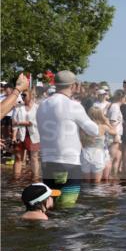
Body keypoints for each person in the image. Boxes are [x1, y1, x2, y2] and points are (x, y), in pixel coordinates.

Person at [35, 71, 99, 208]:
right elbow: (94, 130)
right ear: (74, 85)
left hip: (47, 162)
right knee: (67, 207)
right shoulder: (73, 105)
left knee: (49, 205)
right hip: (69, 163)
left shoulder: (42, 105)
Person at [12, 89, 41, 180]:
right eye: (22, 95)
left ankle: (35, 178)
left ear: (31, 95)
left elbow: (34, 123)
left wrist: (20, 123)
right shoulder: (18, 107)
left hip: (33, 135)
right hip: (20, 135)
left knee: (34, 157)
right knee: (18, 157)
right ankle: (16, 178)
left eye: (25, 95)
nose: (23, 97)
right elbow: (13, 122)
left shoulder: (37, 107)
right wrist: (13, 136)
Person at [80, 105, 113, 183]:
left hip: (85, 153)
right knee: (96, 183)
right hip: (97, 154)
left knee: (87, 183)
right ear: (100, 115)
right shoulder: (103, 127)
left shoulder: (83, 126)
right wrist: (107, 122)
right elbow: (114, 132)